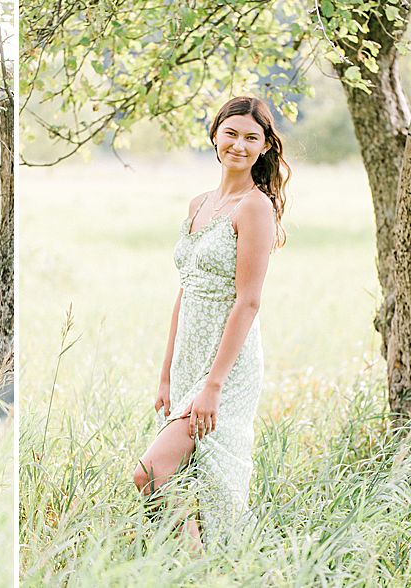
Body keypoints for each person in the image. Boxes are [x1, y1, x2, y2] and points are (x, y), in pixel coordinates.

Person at [131, 96, 290, 547]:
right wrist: (166, 374)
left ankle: (203, 557)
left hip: (228, 365)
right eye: (231, 133)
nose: (238, 145)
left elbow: (248, 302)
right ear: (216, 135)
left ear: (264, 147)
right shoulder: (199, 204)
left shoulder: (256, 208)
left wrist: (213, 385)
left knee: (151, 472)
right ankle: (198, 564)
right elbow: (186, 290)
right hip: (188, 358)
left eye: (251, 138)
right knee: (183, 475)